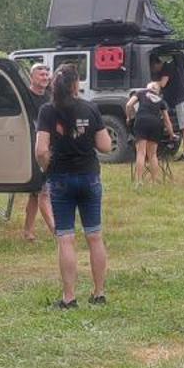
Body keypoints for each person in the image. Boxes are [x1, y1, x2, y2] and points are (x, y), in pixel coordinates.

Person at [35, 64, 113, 308]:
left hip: (61, 178)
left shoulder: (48, 110)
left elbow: (40, 150)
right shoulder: (90, 107)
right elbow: (105, 146)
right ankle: (99, 293)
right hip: (89, 176)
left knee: (66, 239)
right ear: (76, 83)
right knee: (94, 236)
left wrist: (46, 166)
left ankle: (69, 297)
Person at [22, 64, 55, 240]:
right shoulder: (24, 96)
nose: (45, 77)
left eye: (46, 74)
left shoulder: (49, 98)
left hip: (45, 148)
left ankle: (28, 231)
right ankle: (56, 231)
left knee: (36, 192)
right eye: (41, 74)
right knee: (43, 192)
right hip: (29, 149)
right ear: (31, 77)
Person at [127, 78, 174, 186]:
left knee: (141, 153)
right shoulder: (160, 100)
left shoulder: (141, 93)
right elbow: (167, 120)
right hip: (156, 124)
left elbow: (129, 105)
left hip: (142, 121)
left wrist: (129, 117)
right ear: (157, 91)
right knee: (153, 155)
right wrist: (172, 134)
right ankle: (153, 181)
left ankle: (139, 181)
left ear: (147, 88)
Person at [156, 50, 184, 160]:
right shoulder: (173, 65)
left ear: (156, 64)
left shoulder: (166, 68)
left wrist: (153, 84)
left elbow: (163, 83)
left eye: (154, 68)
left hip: (181, 99)